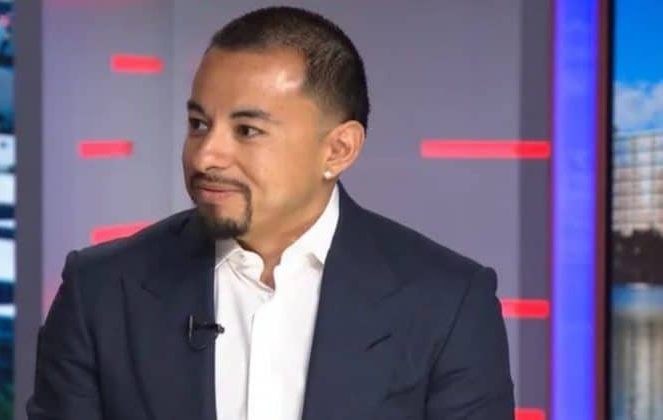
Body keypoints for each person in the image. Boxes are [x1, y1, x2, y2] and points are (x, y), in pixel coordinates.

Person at [27, 6, 514, 420]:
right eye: (198, 124)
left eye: (247, 131)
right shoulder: (99, 290)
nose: (206, 156)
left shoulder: (448, 304)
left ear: (338, 149)